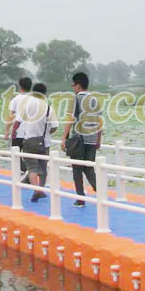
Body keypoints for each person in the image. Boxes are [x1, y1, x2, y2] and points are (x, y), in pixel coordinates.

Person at [61, 71, 103, 206]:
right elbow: (100, 121)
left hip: (79, 140)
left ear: (78, 86)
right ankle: (101, 194)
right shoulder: (95, 99)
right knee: (89, 167)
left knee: (77, 169)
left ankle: (81, 198)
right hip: (92, 139)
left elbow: (70, 119)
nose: (72, 88)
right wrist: (98, 139)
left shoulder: (75, 99)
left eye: (73, 85)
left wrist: (64, 138)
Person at [19, 83, 58, 202]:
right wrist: (46, 133)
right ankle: (40, 189)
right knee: (43, 168)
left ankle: (36, 190)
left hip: (29, 140)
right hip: (44, 142)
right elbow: (55, 126)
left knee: (32, 168)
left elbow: (22, 119)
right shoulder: (48, 107)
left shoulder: (26, 105)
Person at [8, 77, 32, 150]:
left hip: (17, 133)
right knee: (28, 158)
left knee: (15, 158)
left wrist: (6, 130)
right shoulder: (34, 99)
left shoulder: (15, 99)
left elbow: (11, 116)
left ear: (20, 86)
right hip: (31, 135)